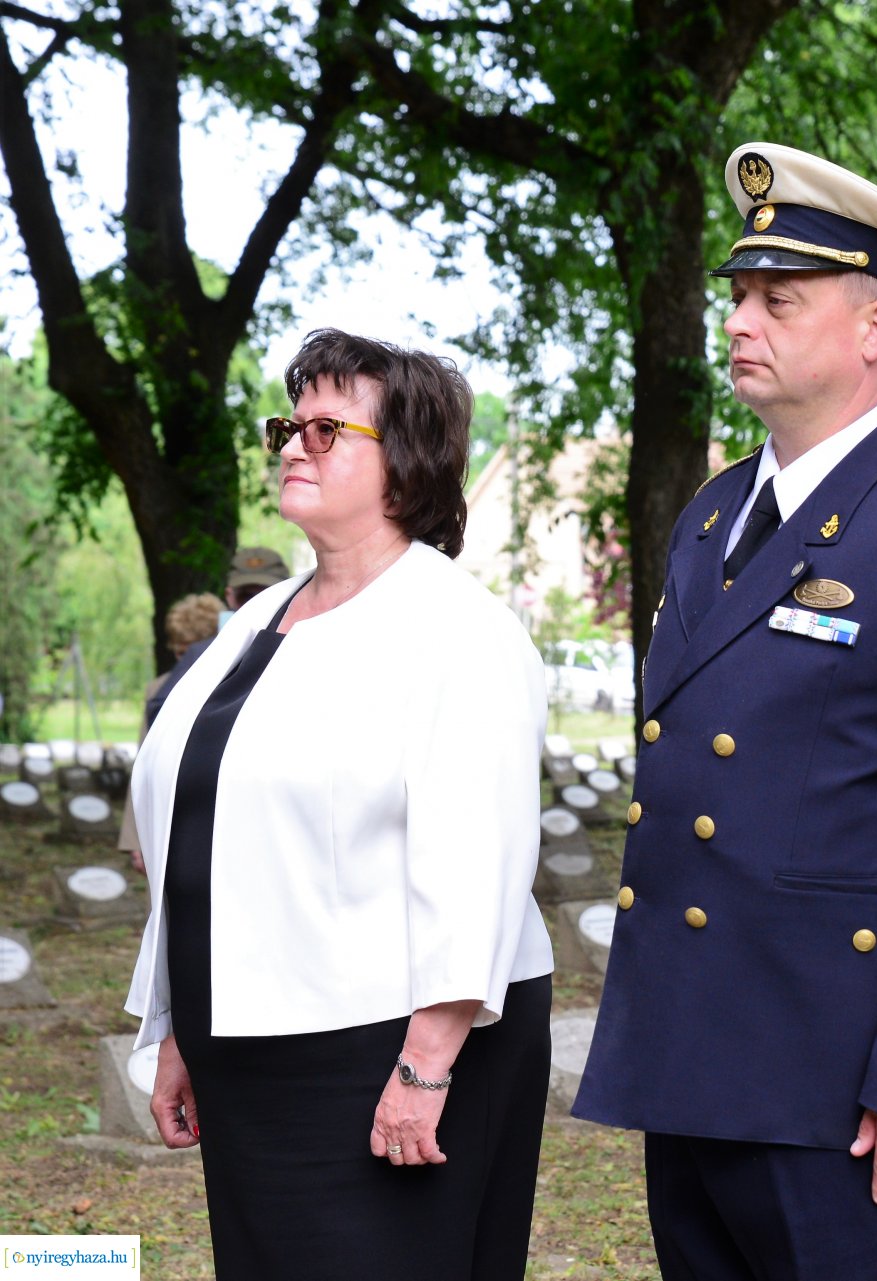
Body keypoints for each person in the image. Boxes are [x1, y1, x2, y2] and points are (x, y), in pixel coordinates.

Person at [571, 142, 877, 1281]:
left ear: (875, 329)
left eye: (779, 301)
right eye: (738, 297)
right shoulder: (711, 516)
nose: (741, 323)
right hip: (697, 1055)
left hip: (843, 1079)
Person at [123, 329, 554, 1280]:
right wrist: (179, 1030)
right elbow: (205, 830)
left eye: (326, 429)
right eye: (290, 424)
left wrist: (424, 1065)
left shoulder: (457, 631)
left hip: (388, 1053)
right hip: (253, 1050)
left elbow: (477, 861)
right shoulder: (253, 622)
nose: (291, 446)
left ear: (405, 460)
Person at [119, 592, 225, 873]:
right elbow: (144, 764)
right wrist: (136, 839)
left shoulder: (235, 687)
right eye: (179, 653)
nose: (185, 661)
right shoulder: (159, 691)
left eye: (192, 649)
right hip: (167, 822)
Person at [144, 547, 293, 729]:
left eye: (268, 593)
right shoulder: (204, 655)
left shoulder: (312, 648)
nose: (257, 602)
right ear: (230, 597)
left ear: (291, 593)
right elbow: (161, 718)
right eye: (246, 596)